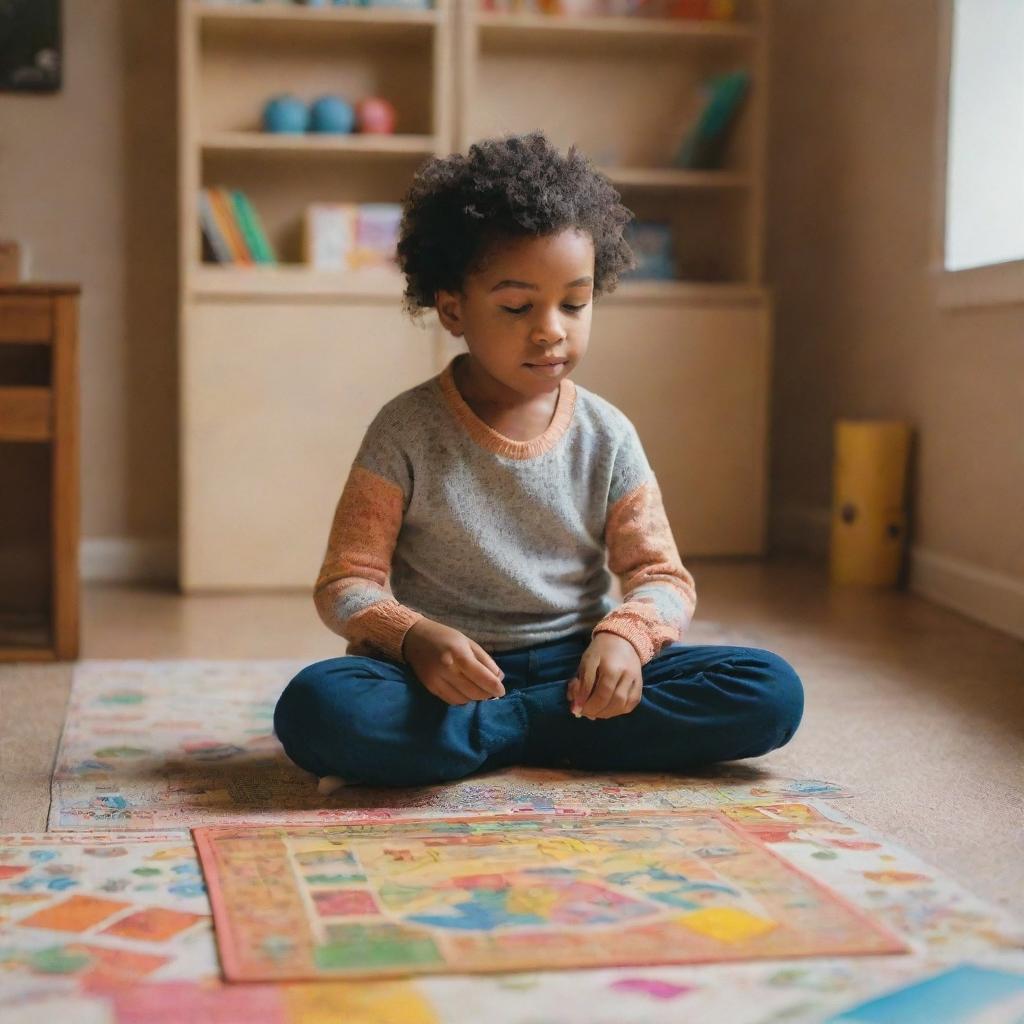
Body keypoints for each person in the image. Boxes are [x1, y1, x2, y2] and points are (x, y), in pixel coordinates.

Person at [274, 131, 803, 791]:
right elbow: (345, 583)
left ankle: (496, 734)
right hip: (437, 674)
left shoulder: (607, 433)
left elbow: (662, 577)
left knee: (770, 690)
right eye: (519, 306)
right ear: (452, 308)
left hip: (575, 667)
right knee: (319, 707)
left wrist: (624, 643)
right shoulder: (404, 430)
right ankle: (563, 734)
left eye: (574, 303)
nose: (552, 327)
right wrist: (415, 638)